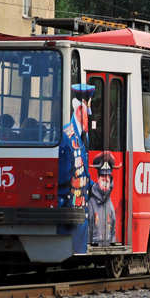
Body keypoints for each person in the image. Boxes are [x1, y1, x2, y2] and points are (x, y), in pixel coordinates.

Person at [60, 84, 95, 252]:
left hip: (79, 212)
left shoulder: (82, 136)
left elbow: (83, 172)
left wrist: (95, 187)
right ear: (80, 110)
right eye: (88, 112)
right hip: (71, 212)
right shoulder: (67, 136)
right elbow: (64, 177)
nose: (90, 116)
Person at [87, 152, 117, 245]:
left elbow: (113, 227)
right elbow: (89, 227)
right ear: (98, 178)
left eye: (107, 181)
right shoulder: (92, 202)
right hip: (94, 244)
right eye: (102, 180)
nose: (105, 184)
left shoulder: (109, 202)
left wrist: (112, 242)